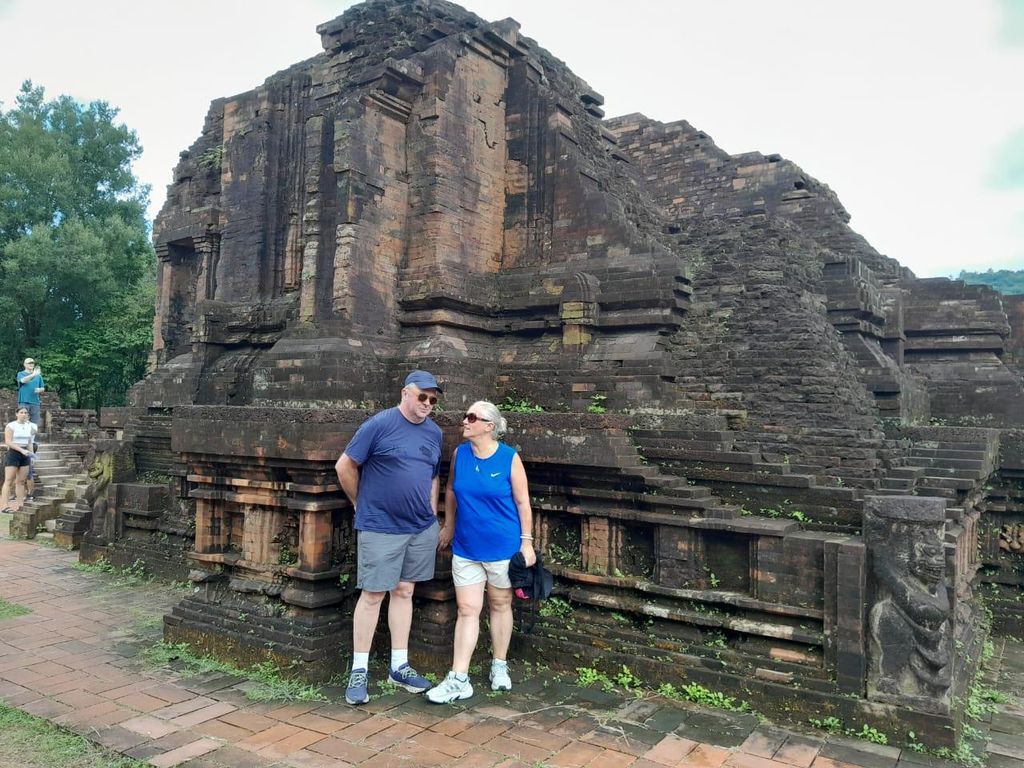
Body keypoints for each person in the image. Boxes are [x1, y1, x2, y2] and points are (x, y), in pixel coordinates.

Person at [335, 370, 444, 705]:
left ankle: (399, 666)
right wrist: (359, 502)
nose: (427, 403)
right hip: (381, 525)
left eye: (433, 399)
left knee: (405, 590)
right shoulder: (380, 425)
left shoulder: (434, 432)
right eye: (422, 396)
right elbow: (344, 466)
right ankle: (359, 669)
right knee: (373, 594)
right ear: (405, 393)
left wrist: (431, 512)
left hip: (419, 527)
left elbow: (433, 475)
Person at [426, 400, 536, 704]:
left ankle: (499, 665)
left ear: (490, 426)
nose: (465, 421)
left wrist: (526, 542)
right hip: (466, 547)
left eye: (472, 417)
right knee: (467, 609)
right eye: (466, 416)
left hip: (502, 547)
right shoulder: (460, 454)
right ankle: (459, 678)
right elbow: (451, 490)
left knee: (500, 605)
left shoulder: (508, 458)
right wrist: (449, 525)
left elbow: (523, 502)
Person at [2, 407, 38, 513]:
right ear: (16, 414)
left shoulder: (29, 427)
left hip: (25, 454)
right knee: (9, 480)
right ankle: (5, 506)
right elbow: (8, 442)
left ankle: (20, 506)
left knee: (21, 481)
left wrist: (31, 456)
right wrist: (21, 450)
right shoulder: (11, 426)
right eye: (21, 412)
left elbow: (29, 442)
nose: (24, 414)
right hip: (13, 453)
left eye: (25, 412)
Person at [16, 358, 45, 428]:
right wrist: (33, 374)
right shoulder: (20, 374)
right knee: (22, 422)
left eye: (32, 363)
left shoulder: (39, 376)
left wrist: (40, 389)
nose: (31, 364)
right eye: (29, 363)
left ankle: (32, 436)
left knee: (34, 425)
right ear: (24, 364)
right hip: (24, 401)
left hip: (35, 402)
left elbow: (43, 388)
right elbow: (23, 381)